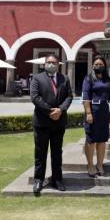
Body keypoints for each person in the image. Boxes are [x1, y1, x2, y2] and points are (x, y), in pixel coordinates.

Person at [30, 54, 73, 195]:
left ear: (58, 64)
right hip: (42, 122)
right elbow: (35, 97)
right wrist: (50, 111)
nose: (51, 64)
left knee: (57, 153)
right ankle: (38, 180)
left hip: (58, 123)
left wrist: (60, 109)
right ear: (44, 64)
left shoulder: (64, 78)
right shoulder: (37, 78)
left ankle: (57, 180)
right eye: (48, 62)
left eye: (54, 62)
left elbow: (69, 96)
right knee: (40, 153)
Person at [82, 55, 110, 177]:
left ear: (104, 66)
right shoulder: (88, 79)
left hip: (103, 110)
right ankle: (90, 165)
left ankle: (100, 165)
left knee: (102, 140)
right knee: (91, 140)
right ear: (92, 66)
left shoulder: (108, 80)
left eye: (100, 64)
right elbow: (85, 97)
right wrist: (88, 113)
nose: (98, 66)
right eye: (96, 64)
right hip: (93, 109)